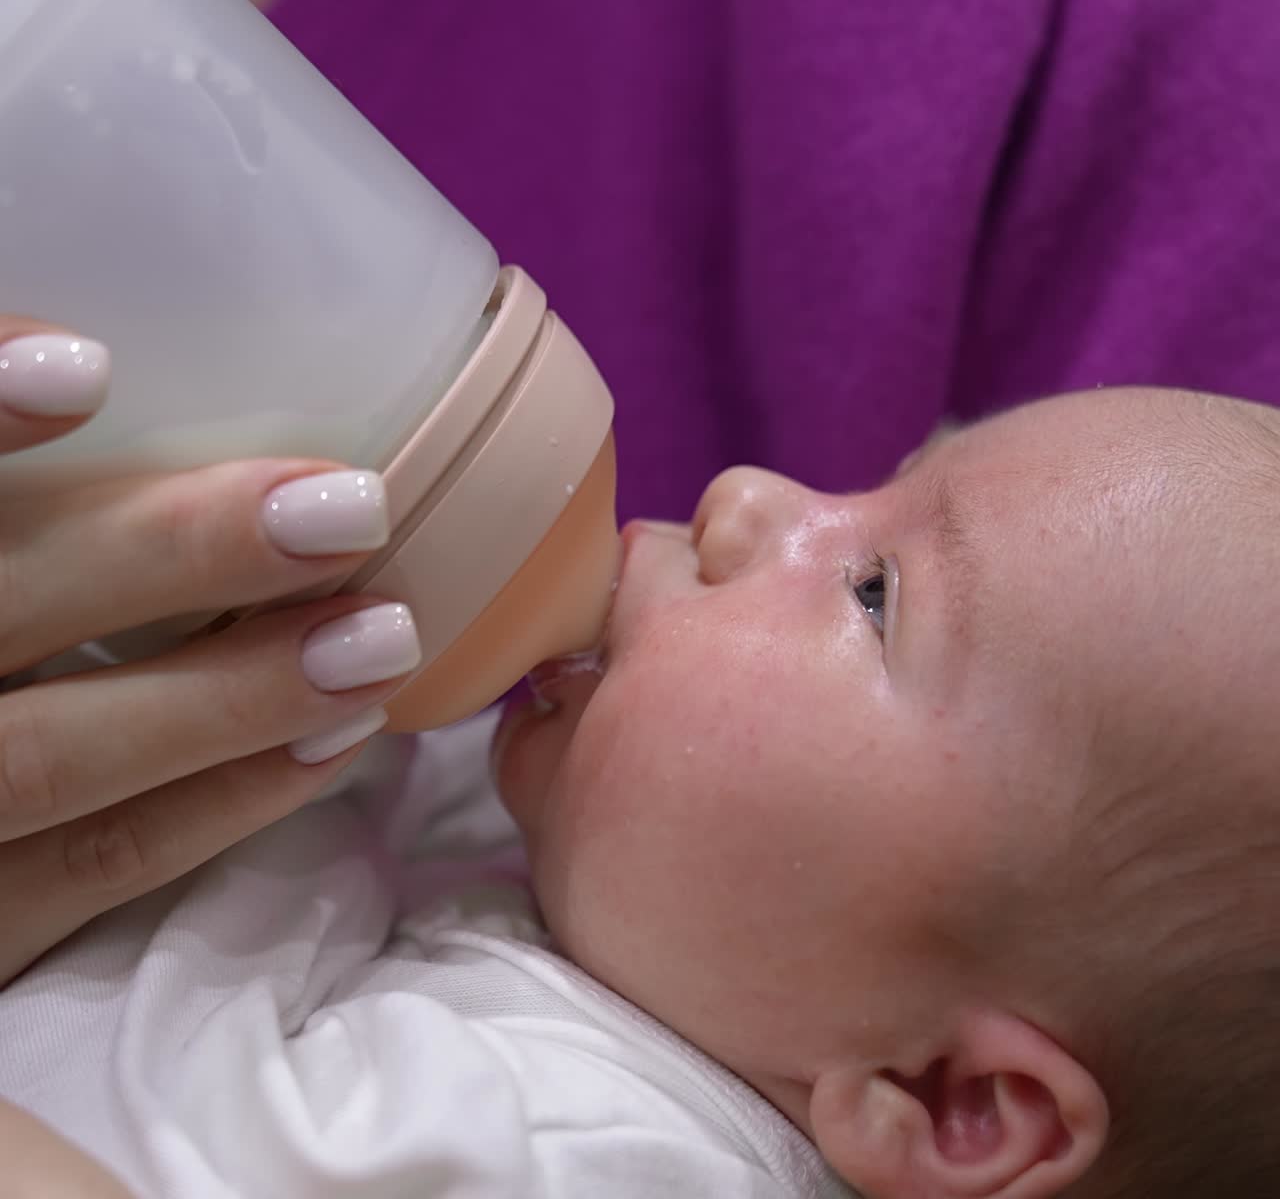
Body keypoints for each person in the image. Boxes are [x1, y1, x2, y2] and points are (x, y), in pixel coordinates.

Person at [1, 384, 1277, 1199]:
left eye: (873, 592)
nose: (745, 501)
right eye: (867, 483)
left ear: (946, 1102)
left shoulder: (596, 1157)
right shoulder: (557, 883)